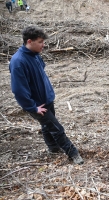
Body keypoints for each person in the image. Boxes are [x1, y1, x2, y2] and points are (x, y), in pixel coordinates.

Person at [9, 26, 84, 165]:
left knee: (47, 126)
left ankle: (53, 148)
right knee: (57, 128)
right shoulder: (18, 62)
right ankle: (73, 153)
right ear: (30, 41)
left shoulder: (35, 55)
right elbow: (18, 90)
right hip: (37, 104)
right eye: (41, 42)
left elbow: (41, 72)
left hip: (47, 99)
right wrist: (32, 107)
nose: (44, 45)